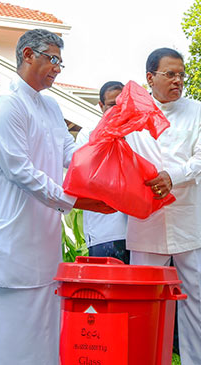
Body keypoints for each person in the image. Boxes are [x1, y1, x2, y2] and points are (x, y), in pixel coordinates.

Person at [0, 29, 113, 364]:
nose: (58, 68)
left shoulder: (49, 105)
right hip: (8, 244)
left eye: (61, 61)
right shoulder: (3, 104)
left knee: (47, 337)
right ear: (28, 55)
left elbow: (72, 156)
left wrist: (110, 168)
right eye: (52, 58)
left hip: (43, 242)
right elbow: (20, 171)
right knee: (13, 342)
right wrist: (77, 201)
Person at [124, 47, 201, 364]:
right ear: (150, 77)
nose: (178, 80)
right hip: (146, 218)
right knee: (144, 300)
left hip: (189, 216)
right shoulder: (132, 112)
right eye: (170, 74)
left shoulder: (196, 110)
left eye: (181, 74)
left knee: (195, 300)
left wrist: (172, 176)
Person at [76, 81, 129, 263]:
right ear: (101, 106)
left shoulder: (139, 133)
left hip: (139, 234)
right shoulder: (88, 134)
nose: (118, 110)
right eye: (112, 105)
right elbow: (85, 175)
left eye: (122, 105)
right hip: (105, 230)